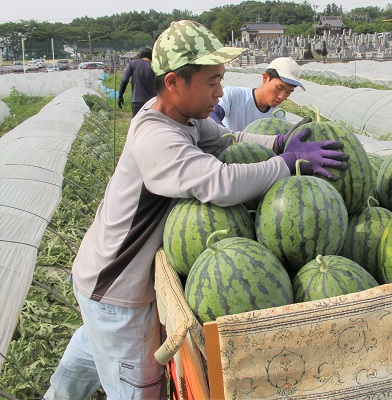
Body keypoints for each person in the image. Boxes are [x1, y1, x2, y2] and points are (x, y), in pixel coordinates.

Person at [44, 20, 348, 400]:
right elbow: (220, 183)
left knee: (81, 364)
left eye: (221, 80)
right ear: (173, 82)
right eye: (211, 82)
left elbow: (227, 139)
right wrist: (285, 163)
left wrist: (276, 141)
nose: (221, 92)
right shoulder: (157, 137)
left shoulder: (183, 119)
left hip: (97, 275)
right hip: (117, 290)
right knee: (136, 390)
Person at [209, 56, 304, 131]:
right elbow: (212, 115)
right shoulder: (233, 95)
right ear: (265, 77)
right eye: (279, 88)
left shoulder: (278, 116)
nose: (282, 97)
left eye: (288, 92)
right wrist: (228, 138)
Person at [118, 47, 156, 117]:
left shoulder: (133, 63)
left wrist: (120, 96)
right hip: (152, 102)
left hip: (137, 100)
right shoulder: (154, 66)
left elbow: (124, 80)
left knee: (137, 124)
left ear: (140, 56)